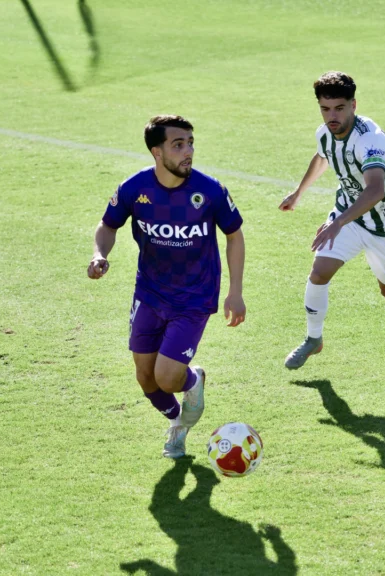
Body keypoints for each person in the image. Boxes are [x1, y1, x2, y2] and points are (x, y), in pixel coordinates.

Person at [88, 115, 246, 458]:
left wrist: (235, 291)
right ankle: (177, 423)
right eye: (179, 145)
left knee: (168, 377)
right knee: (146, 378)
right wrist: (99, 254)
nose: (188, 151)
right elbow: (107, 225)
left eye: (190, 143)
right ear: (157, 152)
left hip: (194, 298)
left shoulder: (210, 190)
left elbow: (234, 235)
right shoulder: (134, 189)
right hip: (150, 293)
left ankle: (193, 381)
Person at [279, 71, 385, 369]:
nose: (332, 116)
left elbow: (376, 190)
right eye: (325, 109)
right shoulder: (325, 132)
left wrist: (337, 223)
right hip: (348, 215)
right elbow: (323, 155)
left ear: (354, 104)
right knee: (319, 272)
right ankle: (314, 339)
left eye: (339, 108)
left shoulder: (370, 140)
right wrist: (298, 193)